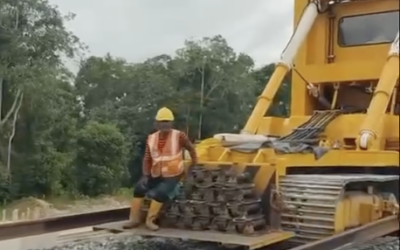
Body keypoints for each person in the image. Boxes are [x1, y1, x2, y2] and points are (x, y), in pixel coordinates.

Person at [123, 107, 198, 231]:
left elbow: (191, 148)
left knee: (160, 193)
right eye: (162, 122)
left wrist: (194, 164)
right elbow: (147, 158)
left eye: (167, 122)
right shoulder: (151, 138)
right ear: (156, 124)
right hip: (156, 173)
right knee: (139, 189)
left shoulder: (179, 136)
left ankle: (150, 221)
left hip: (173, 174)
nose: (165, 125)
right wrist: (145, 175)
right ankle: (134, 219)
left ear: (172, 123)